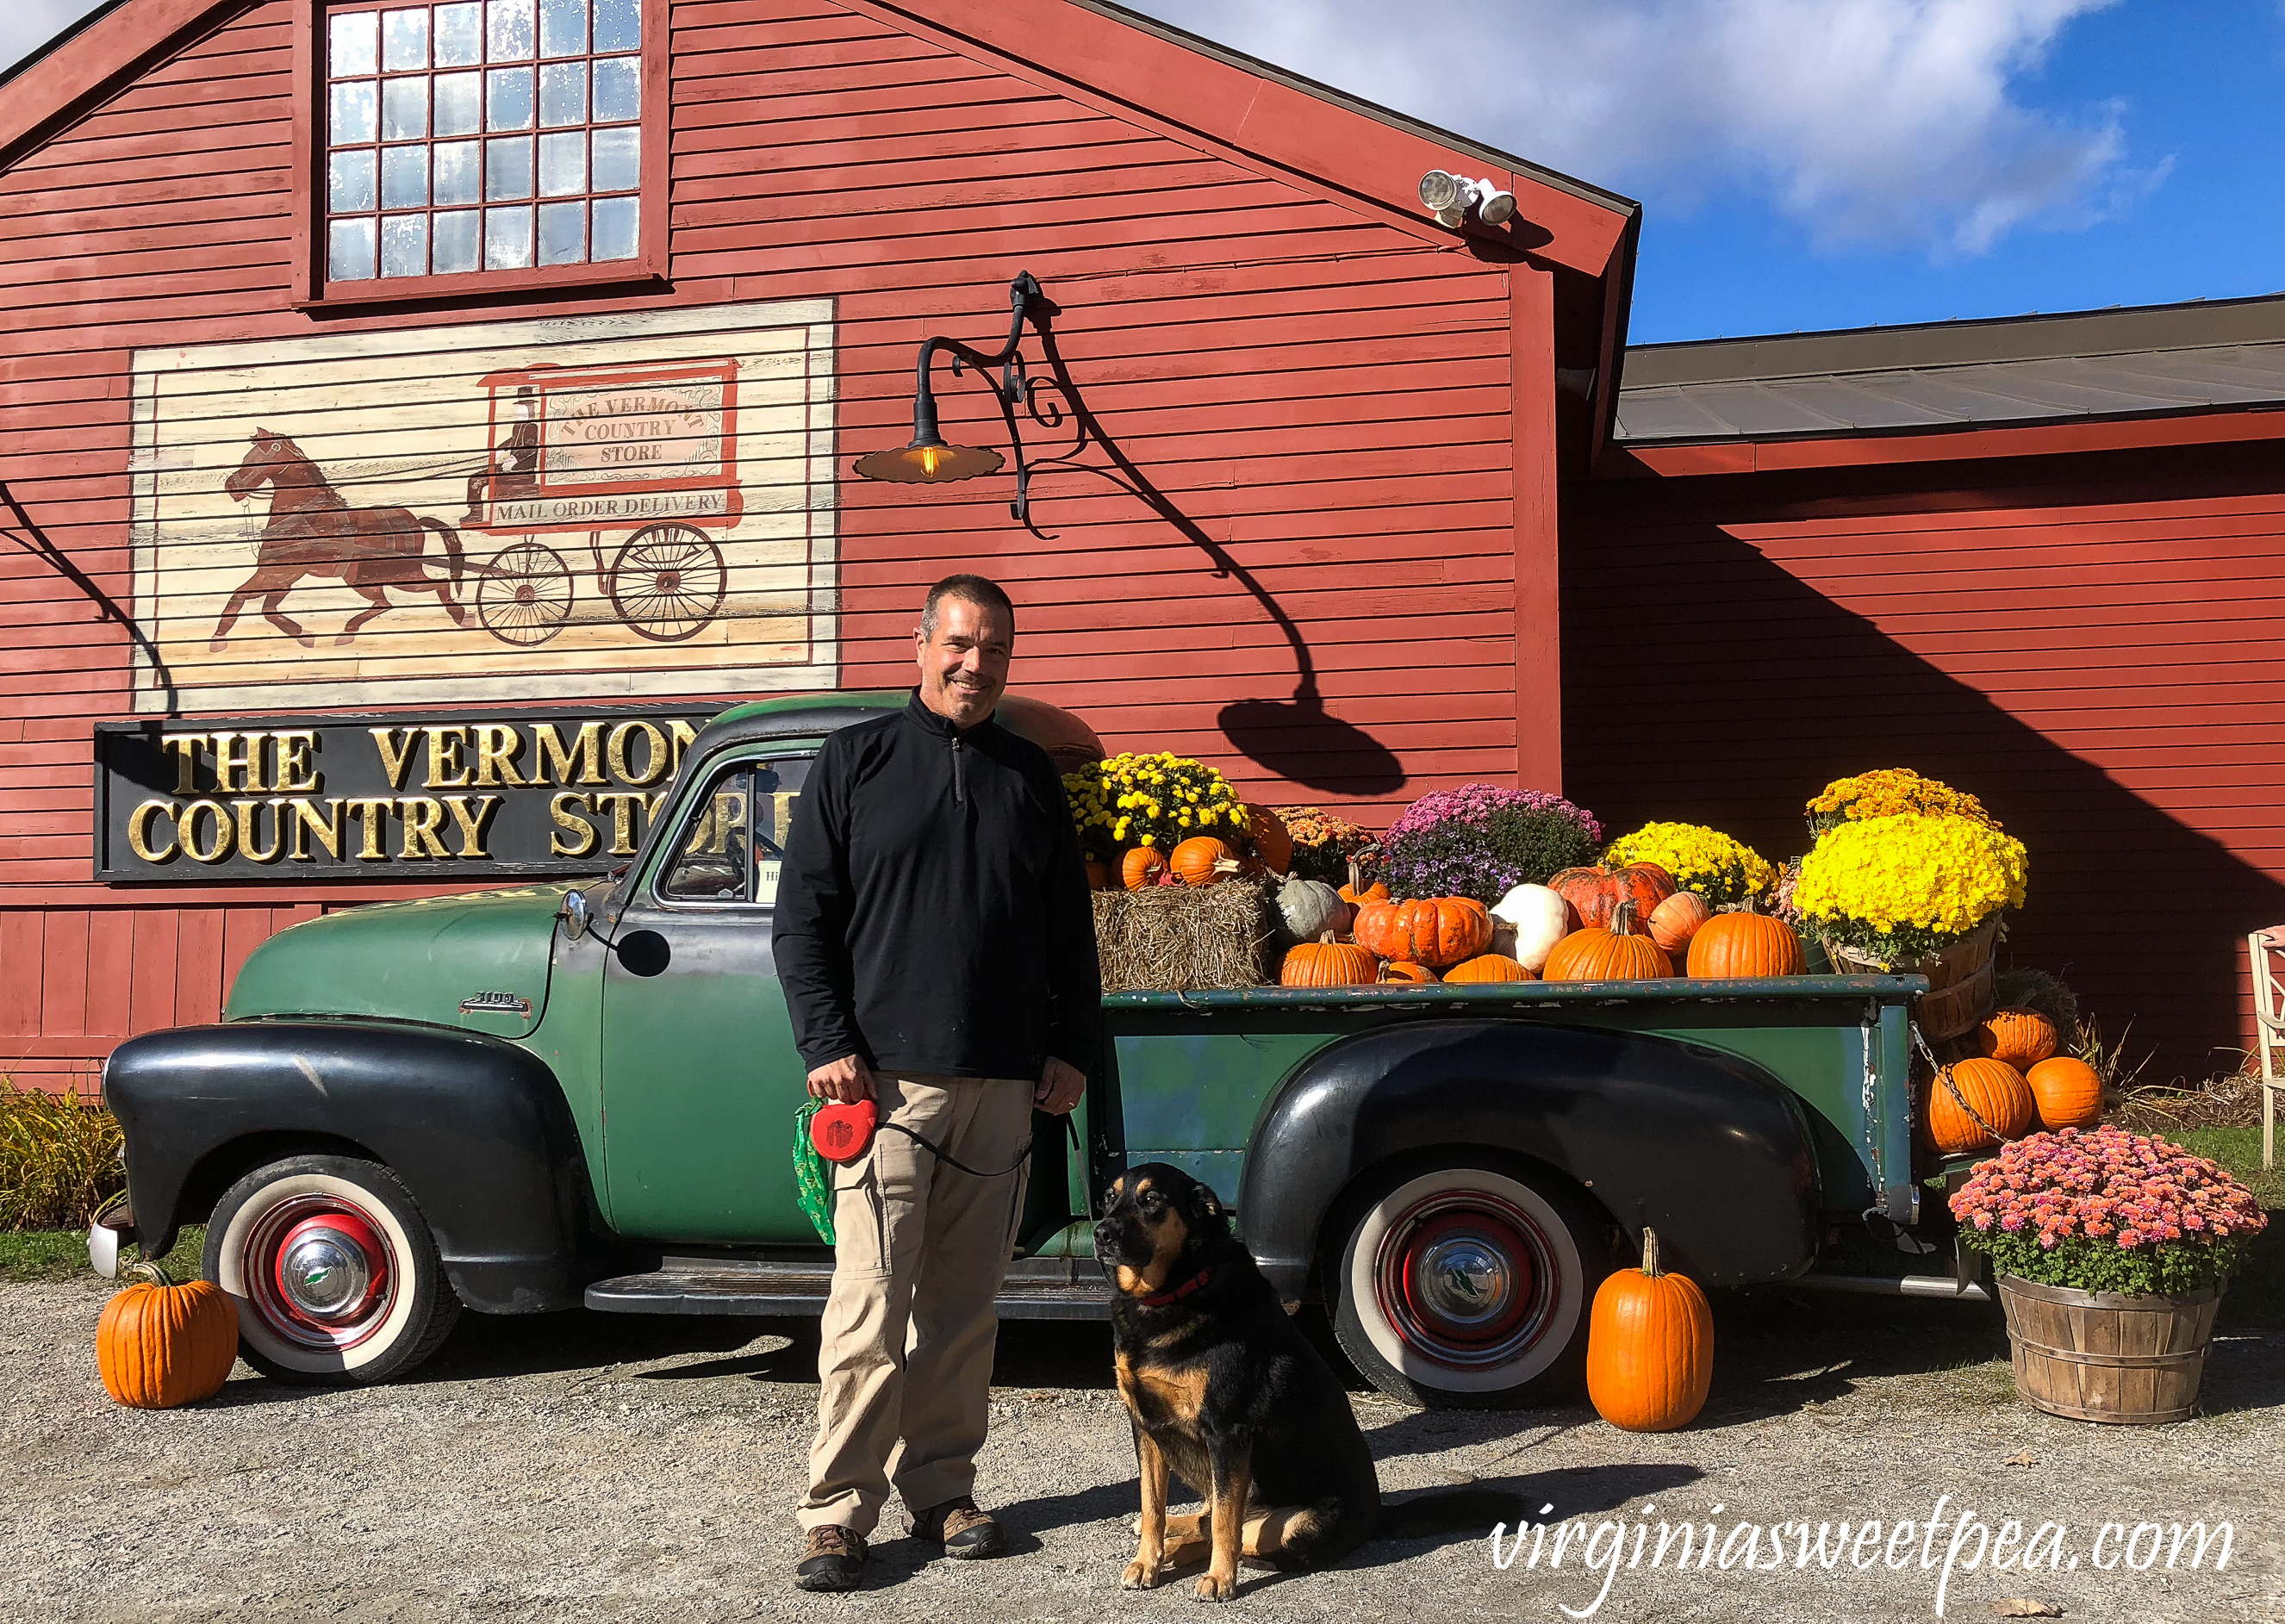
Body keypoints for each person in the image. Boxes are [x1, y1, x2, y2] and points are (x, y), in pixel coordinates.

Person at [771, 573, 1101, 1592]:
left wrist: (1070, 1047)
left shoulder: (1027, 777)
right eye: (958, 644)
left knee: (964, 1311)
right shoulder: (855, 761)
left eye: (994, 649)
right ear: (919, 646)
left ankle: (942, 1489)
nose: (975, 664)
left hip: (1000, 1088)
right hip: (884, 1088)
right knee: (869, 1303)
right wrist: (827, 1039)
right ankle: (836, 1513)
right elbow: (804, 921)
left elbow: (1066, 937)